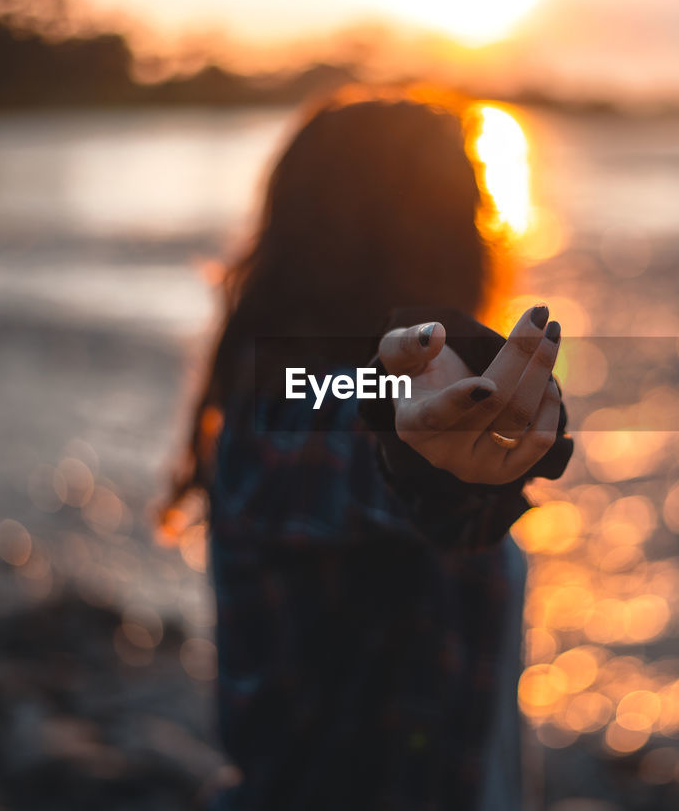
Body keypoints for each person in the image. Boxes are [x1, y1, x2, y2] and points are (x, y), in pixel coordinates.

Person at [164, 86, 572, 810]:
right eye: (466, 208)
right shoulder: (287, 411)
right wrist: (428, 456)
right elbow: (357, 443)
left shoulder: (285, 394)